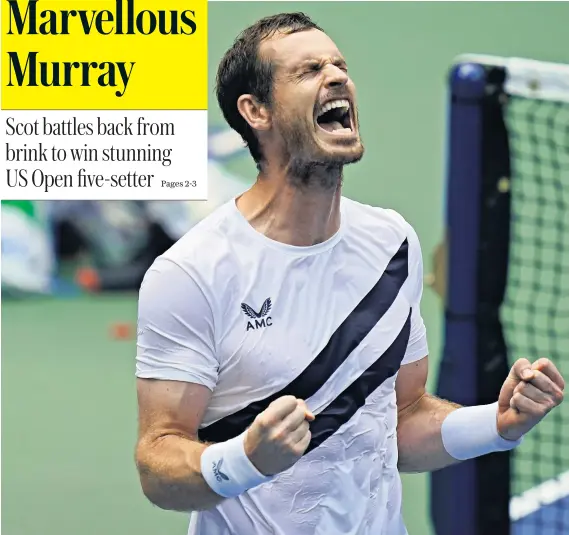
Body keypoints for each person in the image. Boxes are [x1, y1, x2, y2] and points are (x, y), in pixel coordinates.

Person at [134, 12, 565, 535]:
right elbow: (158, 467)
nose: (337, 77)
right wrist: (245, 459)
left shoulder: (391, 244)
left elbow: (399, 420)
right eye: (309, 70)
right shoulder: (192, 272)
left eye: (339, 65)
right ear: (256, 111)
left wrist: (496, 425)